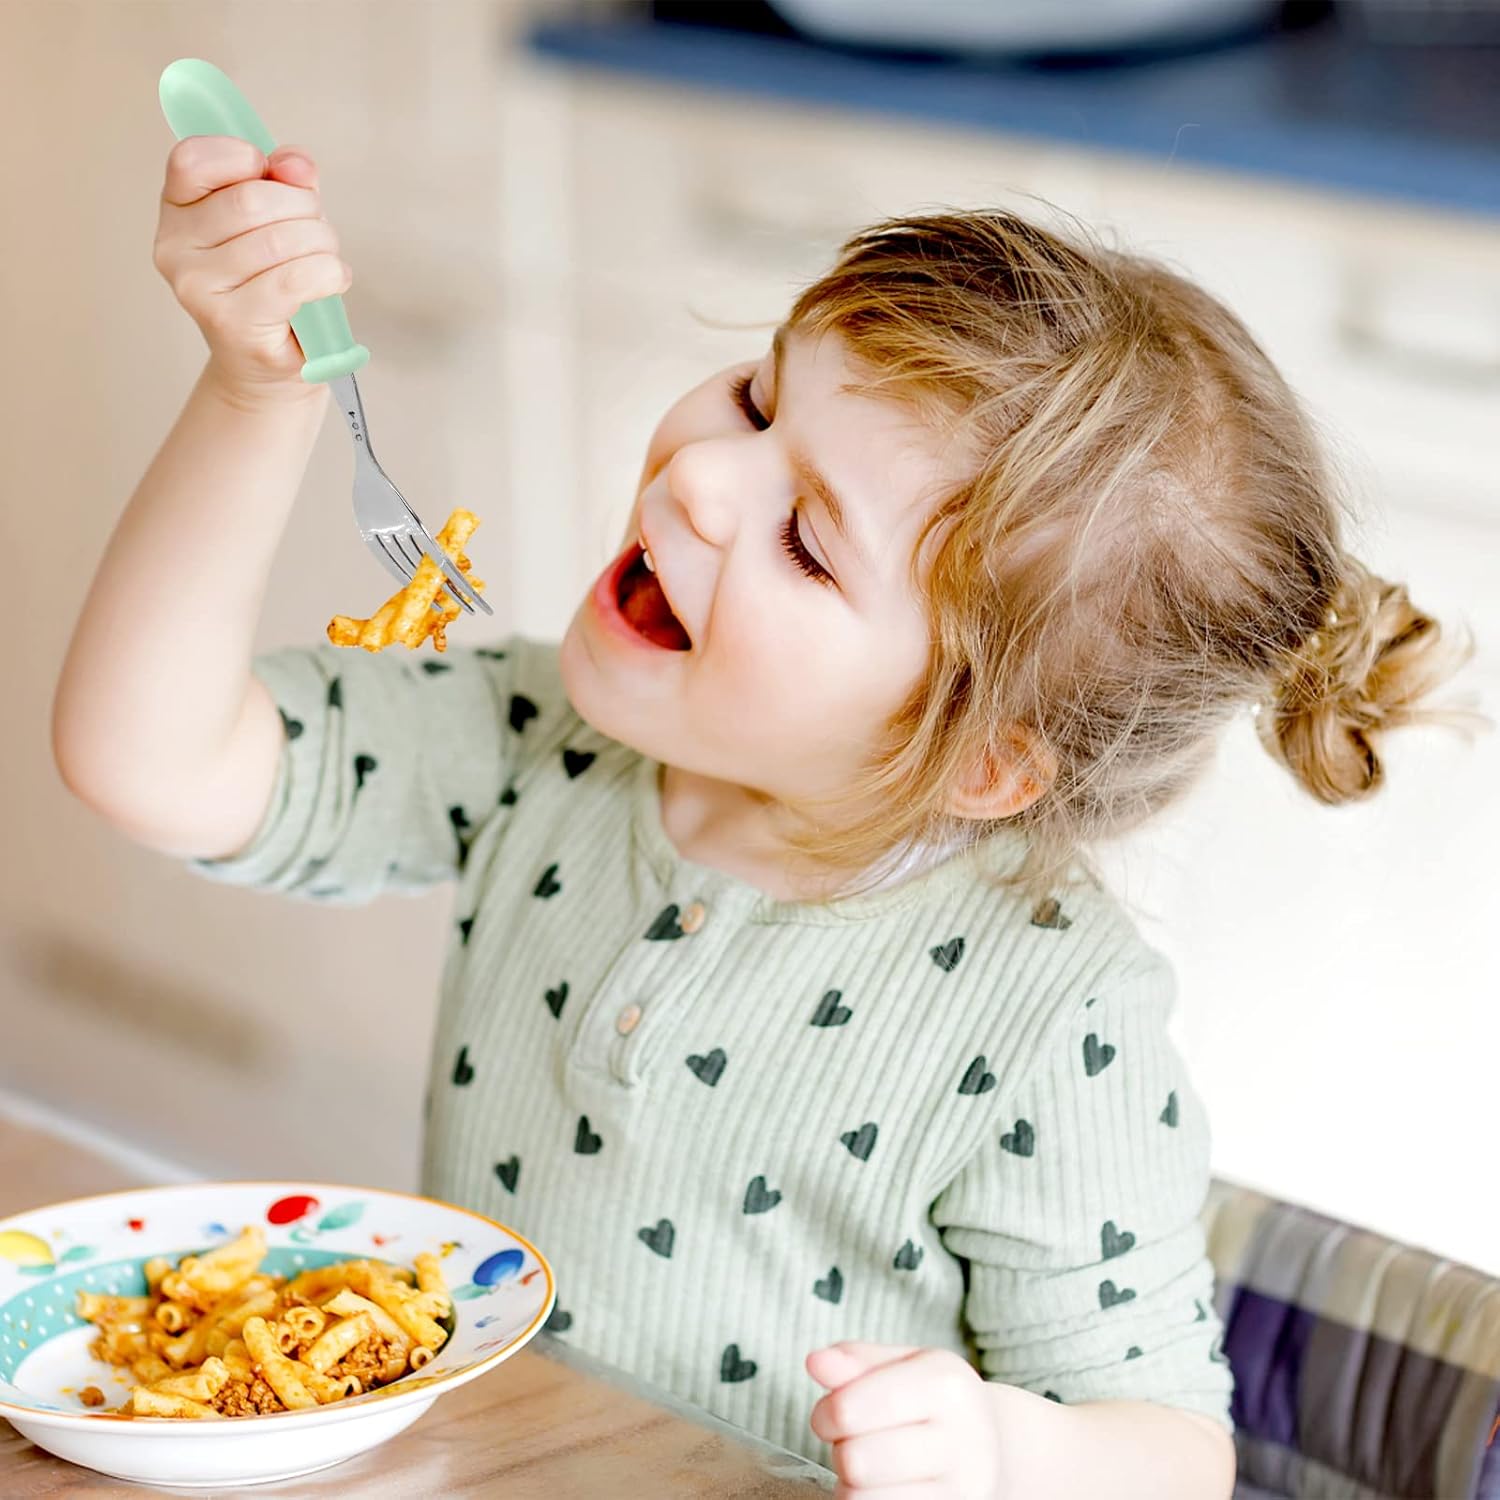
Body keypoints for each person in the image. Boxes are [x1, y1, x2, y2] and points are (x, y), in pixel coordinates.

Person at [53, 136, 1473, 1499]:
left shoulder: (1052, 1014)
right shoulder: (540, 739)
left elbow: (1173, 1455)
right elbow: (151, 759)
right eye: (756, 398)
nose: (695, 477)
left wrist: (999, 1460)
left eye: (806, 539)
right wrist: (258, 396)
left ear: (983, 762)